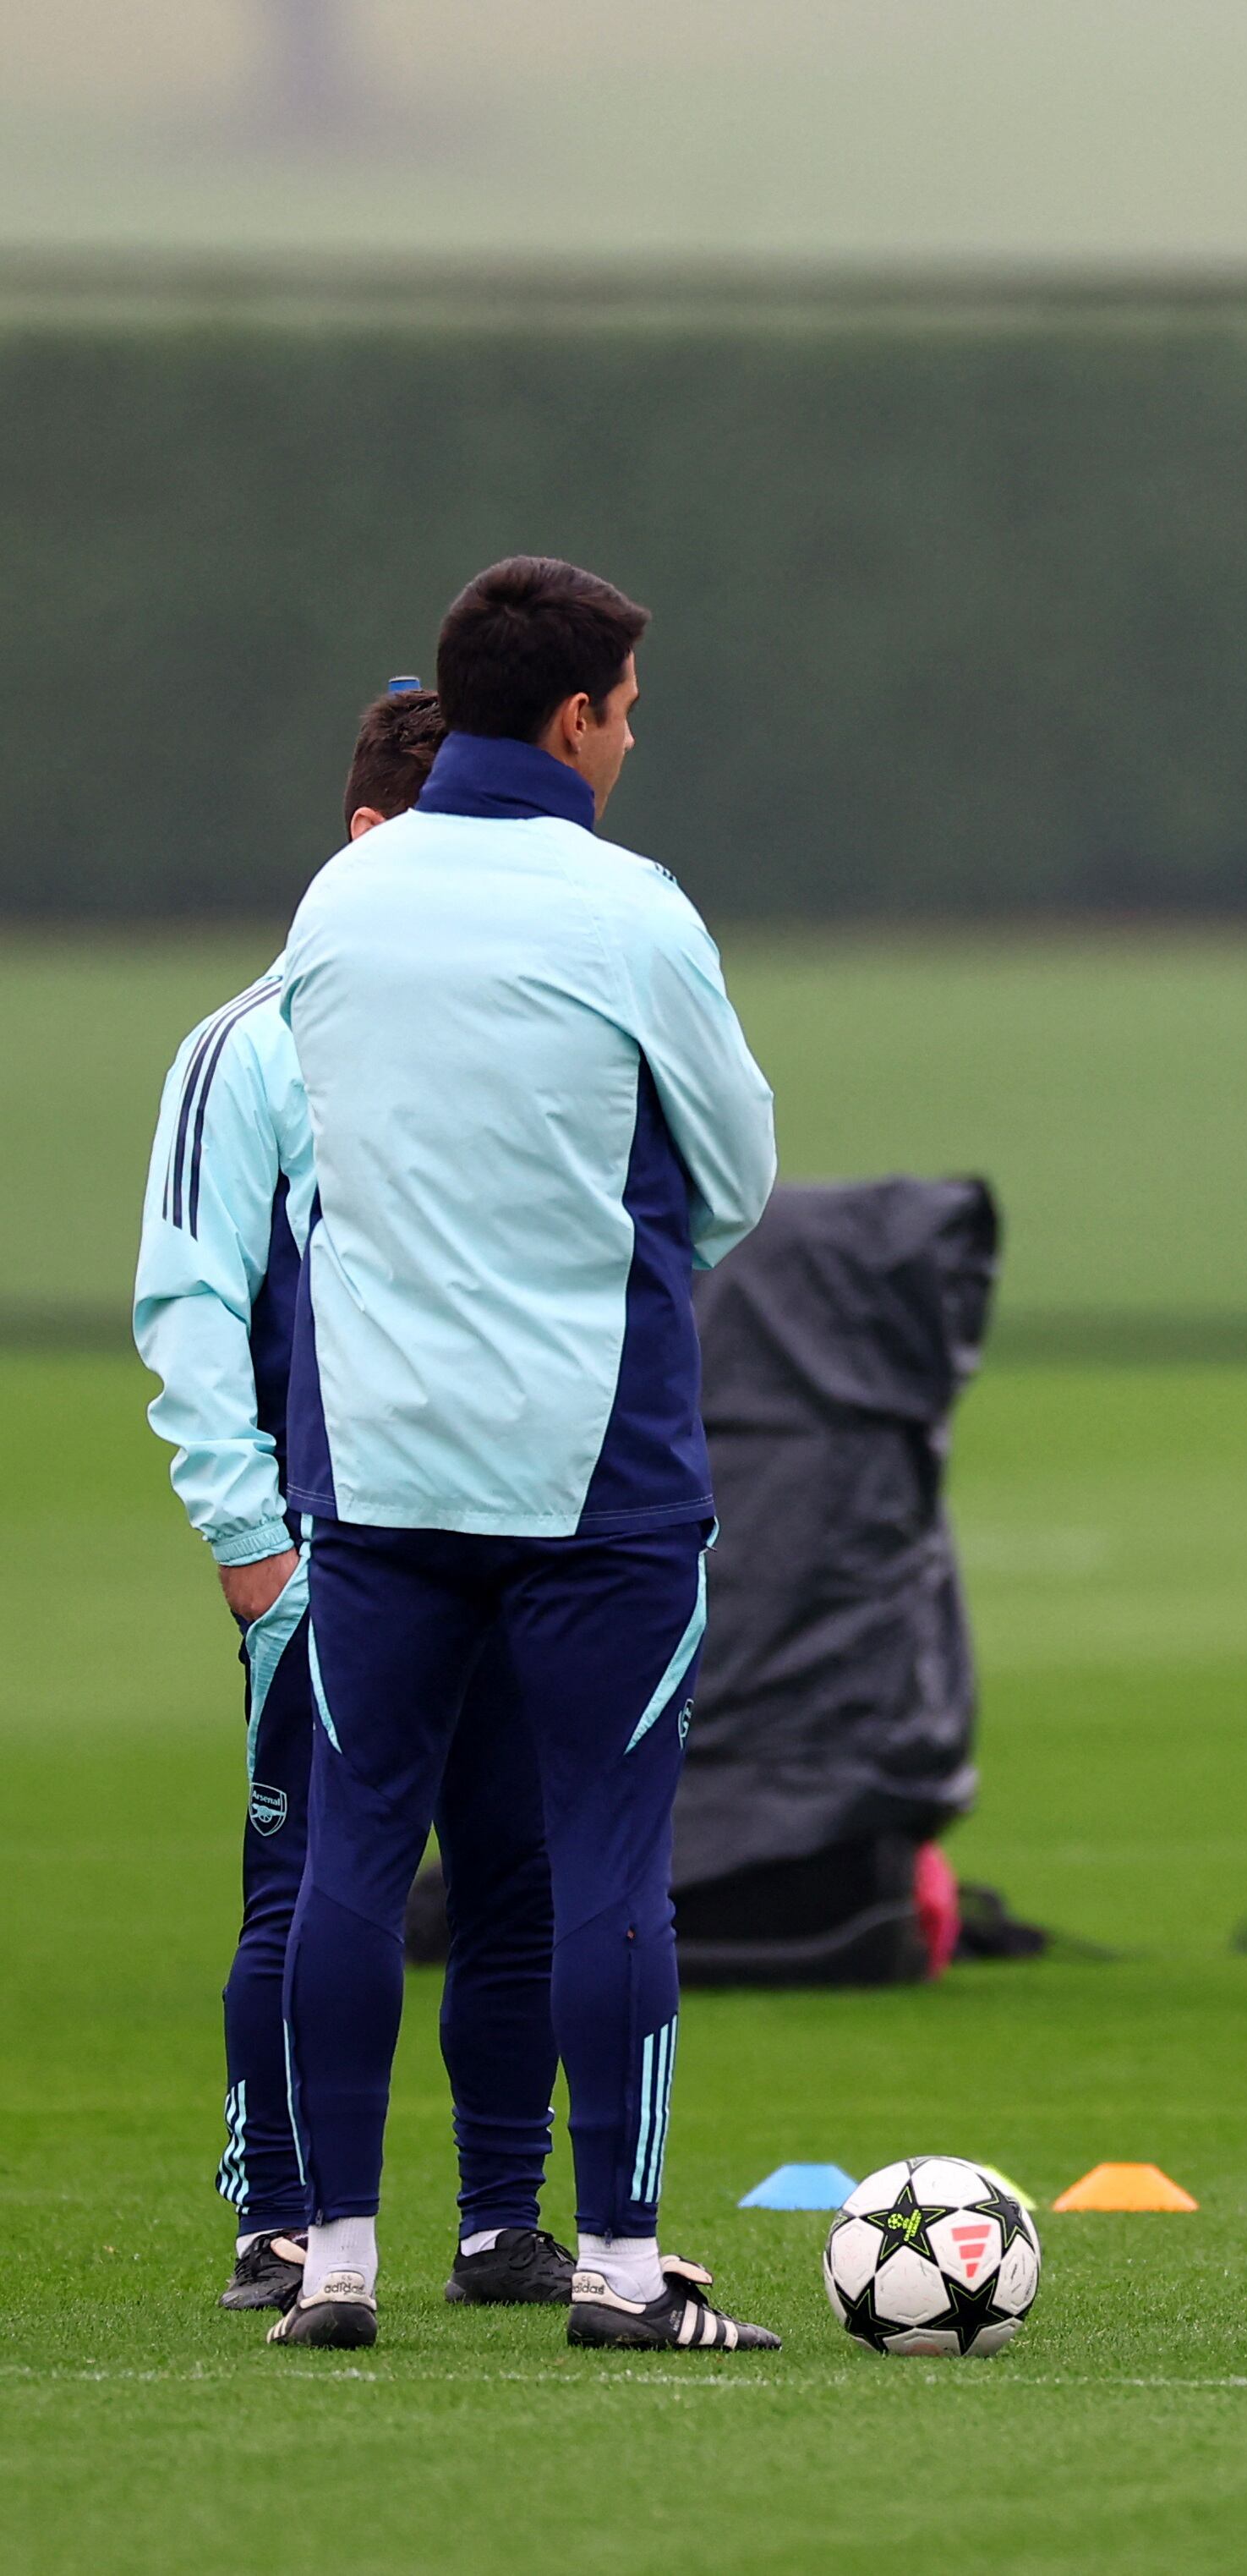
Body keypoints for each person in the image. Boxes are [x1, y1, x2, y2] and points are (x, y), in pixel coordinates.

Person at [261, 558, 784, 2351]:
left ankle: (333, 2261)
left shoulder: (339, 897)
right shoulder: (631, 908)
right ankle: (625, 2272)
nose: (633, 736)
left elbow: (325, 1147)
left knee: (351, 1855)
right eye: (629, 709)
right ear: (575, 718)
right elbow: (736, 1173)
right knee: (604, 1868)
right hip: (596, 1479)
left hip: (377, 1466)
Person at [134, 683, 582, 2316]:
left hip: (507, 1531)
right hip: (330, 1552)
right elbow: (189, 1302)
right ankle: (282, 2216)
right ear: (361, 841)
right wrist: (250, 1544)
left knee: (515, 1880)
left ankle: (500, 2220)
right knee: (315, 1882)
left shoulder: (511, 1030)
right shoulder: (245, 1044)